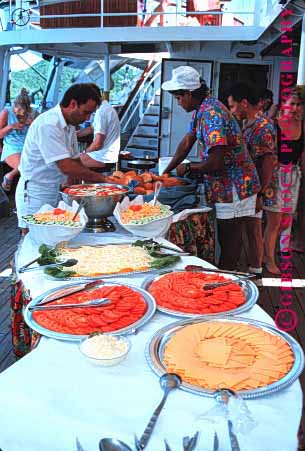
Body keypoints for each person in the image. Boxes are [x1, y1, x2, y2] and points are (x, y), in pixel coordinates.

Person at [161, 66, 261, 270]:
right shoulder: (201, 110)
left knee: (230, 236)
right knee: (227, 234)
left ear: (189, 94)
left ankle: (227, 276)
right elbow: (187, 141)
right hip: (223, 184)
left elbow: (216, 161)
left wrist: (188, 169)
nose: (178, 102)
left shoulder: (212, 114)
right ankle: (226, 271)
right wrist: (166, 171)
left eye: (179, 97)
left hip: (234, 185)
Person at [15, 83, 107, 234]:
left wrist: (88, 188)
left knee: (52, 235)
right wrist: (103, 180)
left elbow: (76, 161)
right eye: (86, 112)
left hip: (54, 189)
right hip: (34, 192)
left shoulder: (69, 126)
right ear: (72, 104)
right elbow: (66, 166)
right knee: (32, 239)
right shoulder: (48, 124)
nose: (87, 118)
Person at [227, 82, 277, 276]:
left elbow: (268, 162)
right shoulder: (247, 124)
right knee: (246, 228)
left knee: (253, 229)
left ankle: (256, 272)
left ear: (244, 103)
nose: (231, 111)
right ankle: (250, 269)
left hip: (255, 188)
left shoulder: (263, 126)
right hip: (245, 186)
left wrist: (260, 194)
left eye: (232, 106)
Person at [263, 86, 305, 274]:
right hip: (276, 173)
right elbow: (268, 155)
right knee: (274, 221)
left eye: (298, 104)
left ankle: (268, 252)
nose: (295, 108)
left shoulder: (302, 125)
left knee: (286, 221)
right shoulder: (275, 124)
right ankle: (269, 259)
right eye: (292, 104)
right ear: (284, 104)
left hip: (294, 175)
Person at [0, 88, 38, 192]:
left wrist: (34, 124)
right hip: (12, 146)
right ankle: (9, 176)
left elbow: (43, 131)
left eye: (24, 115)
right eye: (18, 114)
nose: (21, 116)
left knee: (39, 165)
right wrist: (11, 127)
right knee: (26, 167)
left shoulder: (34, 113)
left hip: (29, 145)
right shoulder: (6, 112)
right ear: (14, 106)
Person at [79, 87, 120, 169]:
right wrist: (75, 134)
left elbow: (97, 144)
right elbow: (92, 128)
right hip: (109, 155)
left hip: (104, 156)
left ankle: (75, 182)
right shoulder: (106, 107)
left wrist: (84, 153)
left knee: (70, 162)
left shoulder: (101, 112)